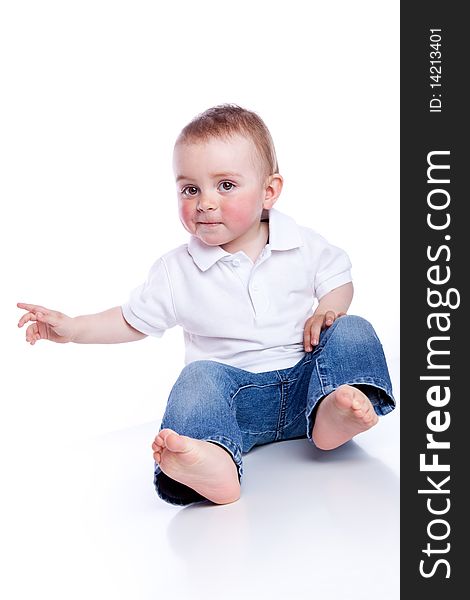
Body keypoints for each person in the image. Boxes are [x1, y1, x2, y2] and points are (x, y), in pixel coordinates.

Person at [17, 104, 395, 507]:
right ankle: (214, 460)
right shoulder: (176, 270)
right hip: (235, 402)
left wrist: (329, 310)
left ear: (269, 191)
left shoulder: (302, 242)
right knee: (197, 379)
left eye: (226, 186)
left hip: (308, 383)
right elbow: (131, 321)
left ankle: (333, 415)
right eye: (190, 189)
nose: (204, 202)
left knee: (353, 329)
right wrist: (74, 328)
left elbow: (339, 280)